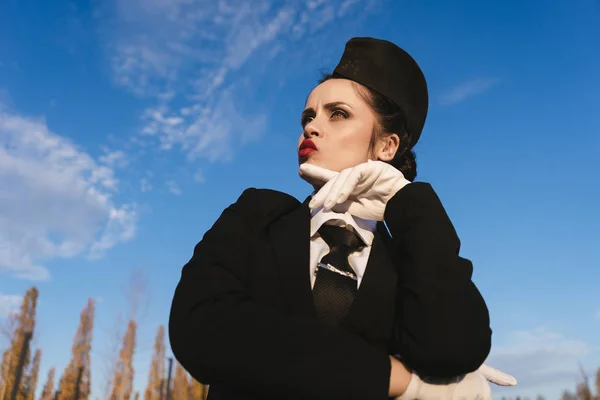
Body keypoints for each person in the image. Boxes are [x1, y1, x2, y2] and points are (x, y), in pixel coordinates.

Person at [169, 37, 516, 399]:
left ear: (387, 146)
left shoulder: (408, 263)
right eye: (309, 115)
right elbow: (201, 328)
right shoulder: (258, 215)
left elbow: (453, 350)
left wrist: (408, 202)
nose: (311, 127)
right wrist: (402, 381)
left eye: (338, 113)